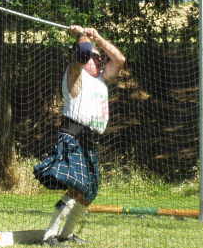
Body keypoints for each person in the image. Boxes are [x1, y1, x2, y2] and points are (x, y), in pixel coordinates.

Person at [33, 25, 126, 246]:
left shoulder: (101, 81)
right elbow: (83, 52)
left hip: (88, 141)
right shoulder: (75, 73)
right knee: (79, 185)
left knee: (89, 191)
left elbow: (120, 60)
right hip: (72, 137)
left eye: (98, 58)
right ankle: (49, 236)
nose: (97, 60)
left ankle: (66, 234)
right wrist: (81, 35)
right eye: (93, 57)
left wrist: (99, 39)